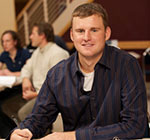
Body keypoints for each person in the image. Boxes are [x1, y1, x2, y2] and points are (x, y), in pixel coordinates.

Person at [9, 2, 148, 140]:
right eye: (80, 31)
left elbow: (136, 126)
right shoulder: (57, 74)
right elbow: (39, 118)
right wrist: (22, 131)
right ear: (71, 35)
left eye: (94, 30)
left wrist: (72, 136)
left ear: (106, 33)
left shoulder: (127, 66)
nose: (86, 37)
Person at [17, 22, 69, 121]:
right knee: (9, 105)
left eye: (33, 34)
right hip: (38, 94)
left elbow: (57, 86)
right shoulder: (37, 52)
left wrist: (36, 94)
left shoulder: (58, 54)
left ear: (42, 36)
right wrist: (25, 79)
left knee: (23, 113)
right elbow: (26, 68)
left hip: (50, 98)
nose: (30, 37)